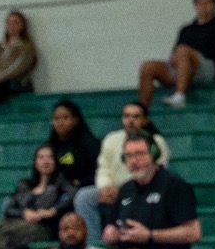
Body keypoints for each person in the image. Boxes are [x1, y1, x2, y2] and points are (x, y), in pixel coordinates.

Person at [102, 134, 201, 249]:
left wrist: (150, 235)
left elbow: (193, 232)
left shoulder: (174, 185)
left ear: (154, 155)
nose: (134, 161)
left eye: (140, 154)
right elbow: (112, 229)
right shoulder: (126, 190)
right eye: (128, 156)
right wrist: (111, 235)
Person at [73, 102, 170, 238]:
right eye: (127, 116)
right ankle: (93, 242)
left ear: (145, 120)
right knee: (84, 197)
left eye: (135, 117)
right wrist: (105, 187)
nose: (130, 120)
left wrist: (125, 190)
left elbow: (157, 172)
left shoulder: (156, 141)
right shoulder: (111, 139)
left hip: (142, 190)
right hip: (112, 189)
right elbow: (103, 169)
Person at [138, 0, 215, 109]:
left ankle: (179, 97)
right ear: (195, 6)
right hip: (181, 67)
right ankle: (142, 111)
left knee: (182, 50)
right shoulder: (186, 29)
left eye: (207, 3)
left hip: (206, 69)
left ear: (213, 5)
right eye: (200, 3)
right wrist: (176, 58)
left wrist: (187, 54)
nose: (203, 6)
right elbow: (175, 52)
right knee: (147, 66)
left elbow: (214, 53)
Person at [47, 100, 100, 191]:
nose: (60, 123)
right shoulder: (49, 146)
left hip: (83, 189)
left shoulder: (90, 144)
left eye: (65, 118)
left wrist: (78, 183)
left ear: (75, 120)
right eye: (56, 118)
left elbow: (98, 173)